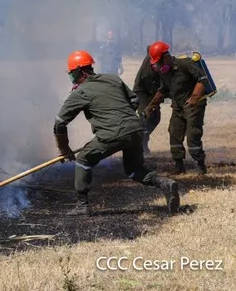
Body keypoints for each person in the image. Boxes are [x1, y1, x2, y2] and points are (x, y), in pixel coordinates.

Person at [53, 50, 180, 216]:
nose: (73, 79)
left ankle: (82, 205)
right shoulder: (112, 78)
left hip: (113, 133)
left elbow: (59, 123)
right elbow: (134, 100)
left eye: (72, 75)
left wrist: (64, 149)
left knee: (83, 159)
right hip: (135, 129)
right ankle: (165, 183)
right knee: (133, 169)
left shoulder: (80, 92)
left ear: (81, 72)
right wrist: (123, 118)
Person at [145, 41, 209, 174]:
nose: (159, 66)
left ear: (167, 56)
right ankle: (179, 167)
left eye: (160, 62)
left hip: (194, 105)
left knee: (193, 135)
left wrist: (194, 97)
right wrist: (151, 105)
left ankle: (200, 166)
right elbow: (163, 89)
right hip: (178, 106)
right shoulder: (164, 73)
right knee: (174, 133)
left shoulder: (184, 64)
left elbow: (203, 79)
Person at [133, 44, 162, 155]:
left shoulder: (156, 58)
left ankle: (144, 138)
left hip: (152, 92)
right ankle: (141, 145)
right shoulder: (148, 70)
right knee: (145, 117)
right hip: (143, 93)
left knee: (156, 119)